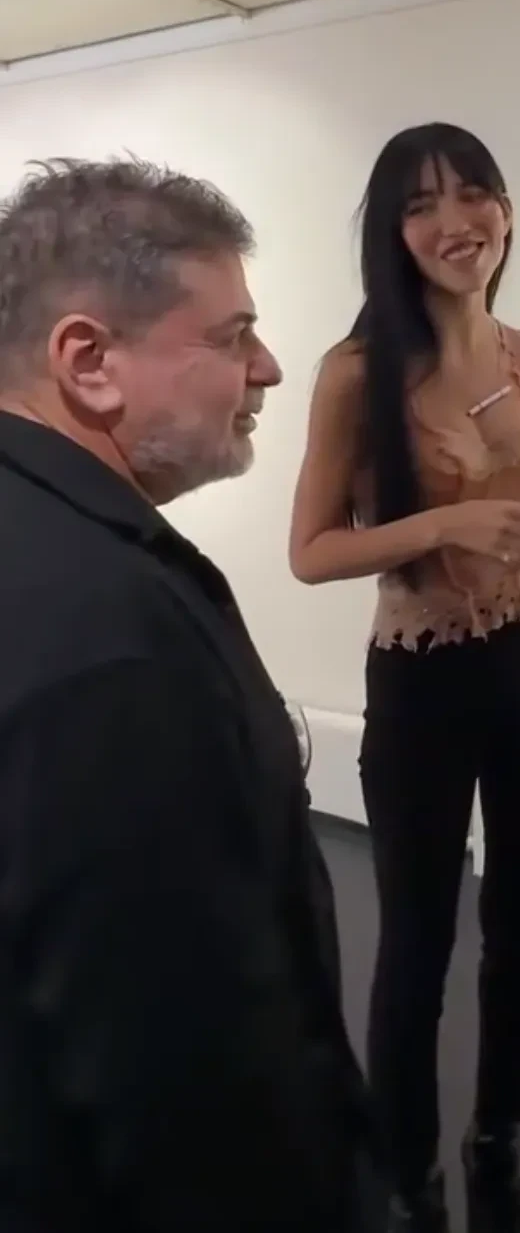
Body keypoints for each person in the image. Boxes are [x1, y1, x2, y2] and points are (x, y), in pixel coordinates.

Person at [0, 159, 378, 1232]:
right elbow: (178, 1069)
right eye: (232, 335)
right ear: (90, 362)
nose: (267, 368)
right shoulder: (111, 635)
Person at [289, 123, 520, 1233]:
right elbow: (311, 550)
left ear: (506, 208)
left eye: (473, 195)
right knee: (418, 937)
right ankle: (408, 1166)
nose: (455, 223)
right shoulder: (356, 372)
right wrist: (446, 522)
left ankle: (497, 1132)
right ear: (392, 232)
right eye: (421, 206)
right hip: (420, 679)